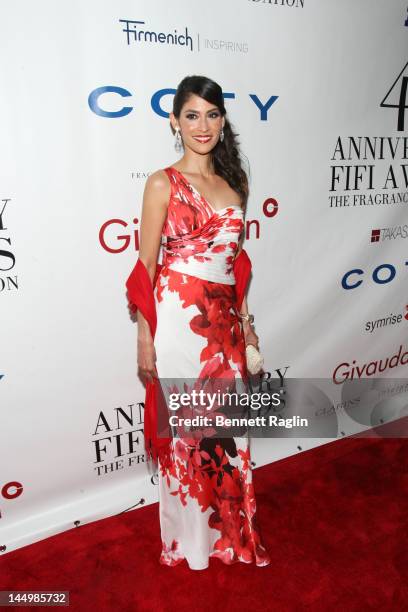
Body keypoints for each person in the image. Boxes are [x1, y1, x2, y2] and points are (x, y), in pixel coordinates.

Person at [125, 75, 271, 570]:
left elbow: (236, 263)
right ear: (175, 121)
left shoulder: (236, 184)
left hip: (223, 323)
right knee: (188, 434)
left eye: (211, 114)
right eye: (192, 115)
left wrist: (247, 323)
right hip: (179, 319)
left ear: (223, 120)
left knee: (228, 433)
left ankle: (230, 534)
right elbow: (145, 269)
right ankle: (190, 543)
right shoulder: (162, 182)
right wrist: (145, 338)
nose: (202, 125)